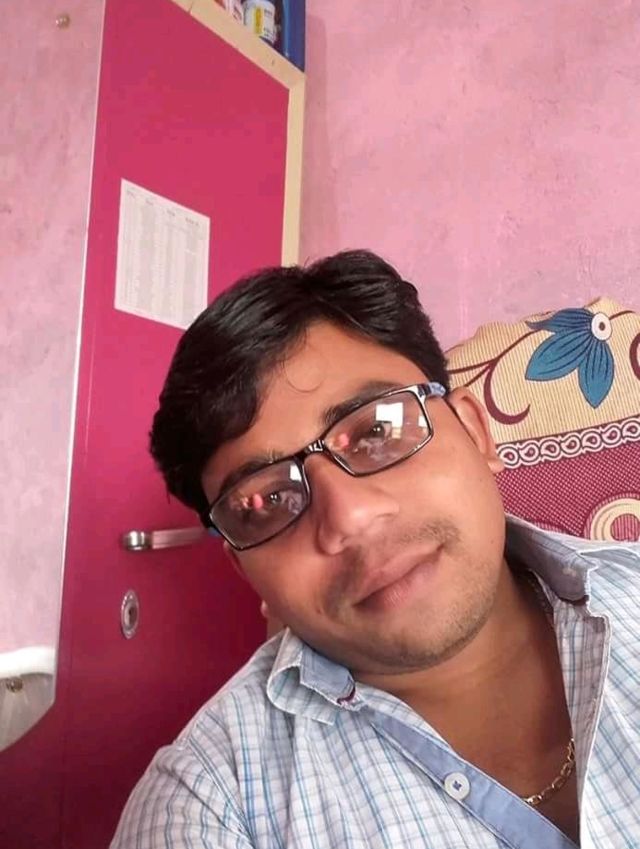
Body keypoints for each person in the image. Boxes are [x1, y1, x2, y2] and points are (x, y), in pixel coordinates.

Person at [111, 250, 640, 849]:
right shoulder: (209, 802)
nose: (350, 519)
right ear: (243, 568)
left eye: (377, 430)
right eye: (266, 501)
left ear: (474, 431)